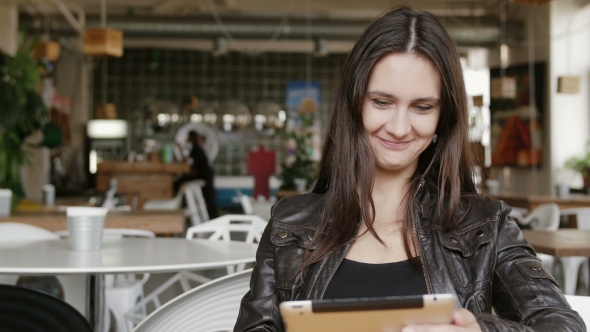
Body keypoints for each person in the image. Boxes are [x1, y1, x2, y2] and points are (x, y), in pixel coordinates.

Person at [233, 6, 585, 332]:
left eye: (422, 107)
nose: (400, 128)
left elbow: (561, 325)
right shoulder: (289, 227)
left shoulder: (486, 227)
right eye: (382, 102)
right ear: (354, 105)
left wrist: (482, 329)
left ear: (442, 118)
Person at [176, 130, 218, 219]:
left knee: (209, 198)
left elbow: (187, 161)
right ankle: (211, 218)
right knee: (209, 198)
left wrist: (180, 149)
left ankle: (213, 218)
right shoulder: (196, 148)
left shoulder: (196, 148)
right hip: (205, 174)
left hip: (205, 175)